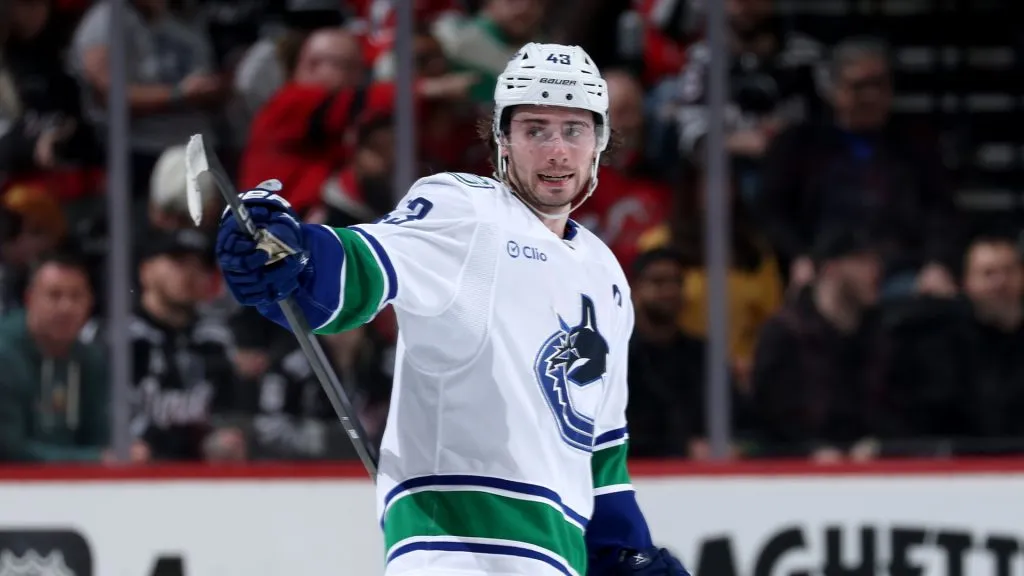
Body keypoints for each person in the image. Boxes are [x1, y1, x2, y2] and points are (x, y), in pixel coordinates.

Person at [216, 43, 689, 576]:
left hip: (555, 561)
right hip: (453, 554)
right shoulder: (467, 211)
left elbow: (599, 449)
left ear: (599, 141)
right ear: (502, 140)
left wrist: (627, 553)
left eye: (574, 130)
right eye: (535, 129)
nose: (557, 151)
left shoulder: (604, 273)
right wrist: (295, 256)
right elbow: (363, 266)